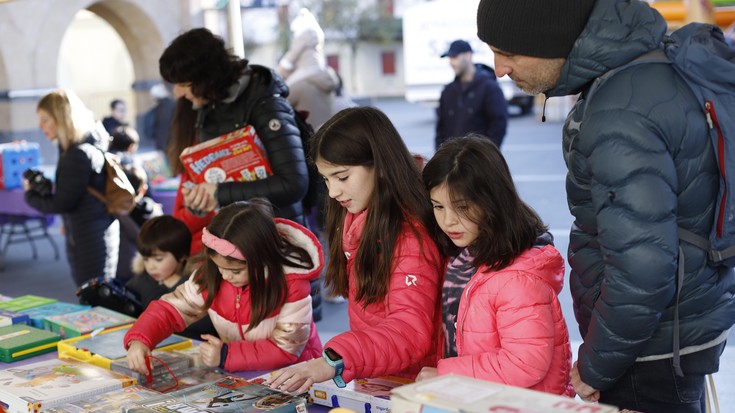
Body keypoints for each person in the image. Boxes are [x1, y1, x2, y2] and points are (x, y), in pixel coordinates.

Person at [476, 0, 735, 411]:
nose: (499, 69)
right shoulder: (640, 74)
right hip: (676, 330)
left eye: (507, 52)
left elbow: (643, 268)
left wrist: (597, 365)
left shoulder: (620, 109)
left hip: (648, 349)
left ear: (550, 39)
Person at [267, 107, 444, 394]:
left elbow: (410, 331)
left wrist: (337, 359)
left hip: (411, 389)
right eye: (326, 179)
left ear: (381, 164)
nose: (333, 192)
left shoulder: (409, 237)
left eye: (342, 176)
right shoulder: (358, 219)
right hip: (380, 377)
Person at [416, 135, 573, 396]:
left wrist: (448, 372)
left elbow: (525, 363)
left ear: (492, 201)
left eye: (462, 207)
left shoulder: (517, 280)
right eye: (438, 207)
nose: (448, 220)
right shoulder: (463, 256)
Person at [124, 199, 323, 373]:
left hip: (297, 375)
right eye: (219, 267)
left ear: (262, 260)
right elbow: (172, 309)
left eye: (235, 271)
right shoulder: (212, 275)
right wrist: (141, 338)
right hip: (247, 374)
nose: (226, 276)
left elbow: (285, 349)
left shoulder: (292, 285)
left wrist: (226, 355)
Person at [161, 28, 309, 256]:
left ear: (205, 76)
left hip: (278, 241)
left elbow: (293, 183)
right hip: (234, 244)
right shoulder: (206, 107)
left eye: (183, 83)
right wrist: (201, 200)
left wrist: (219, 193)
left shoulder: (265, 104)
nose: (178, 92)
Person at [24, 89, 119, 286]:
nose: (40, 126)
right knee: (97, 294)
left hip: (90, 235)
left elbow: (61, 203)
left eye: (45, 119)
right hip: (93, 230)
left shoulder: (77, 153)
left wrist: (30, 194)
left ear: (61, 118)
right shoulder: (81, 146)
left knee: (94, 296)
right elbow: (75, 194)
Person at [125, 214, 215, 339]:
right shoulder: (141, 281)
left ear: (182, 255)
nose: (150, 266)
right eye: (145, 259)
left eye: (158, 259)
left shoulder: (194, 286)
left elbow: (202, 326)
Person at [435, 40, 508, 150]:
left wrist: (487, 155)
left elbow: (498, 124)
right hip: (451, 161)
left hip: (478, 161)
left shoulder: (489, 87)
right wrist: (440, 155)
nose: (451, 62)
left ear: (468, 56)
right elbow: (441, 128)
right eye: (450, 58)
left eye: (454, 57)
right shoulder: (448, 91)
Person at [276, 8, 339, 131]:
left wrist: (279, 72)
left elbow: (277, 106)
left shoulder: (299, 85)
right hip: (328, 139)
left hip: (310, 143)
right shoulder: (326, 82)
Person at [115, 164, 164, 283]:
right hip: (158, 269)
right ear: (143, 189)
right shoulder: (155, 210)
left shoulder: (117, 216)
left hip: (126, 272)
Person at [142, 83, 175, 152]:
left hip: (161, 143)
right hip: (174, 142)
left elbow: (149, 130)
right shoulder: (174, 106)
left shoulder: (155, 110)